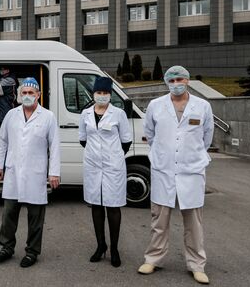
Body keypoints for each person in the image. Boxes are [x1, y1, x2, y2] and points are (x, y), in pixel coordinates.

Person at [138, 66, 214, 285]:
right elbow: (150, 134)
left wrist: (193, 155)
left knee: (194, 224)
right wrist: (161, 155)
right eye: (172, 79)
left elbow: (206, 138)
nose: (176, 82)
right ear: (166, 82)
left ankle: (197, 264)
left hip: (191, 171)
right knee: (159, 220)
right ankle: (153, 258)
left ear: (188, 81)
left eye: (180, 79)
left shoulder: (202, 106)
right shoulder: (156, 105)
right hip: (164, 170)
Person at [0, 77, 61, 268]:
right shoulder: (11, 115)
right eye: (24, 93)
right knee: (8, 214)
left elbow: (54, 146)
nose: (28, 96)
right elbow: (2, 141)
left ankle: (32, 251)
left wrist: (54, 172)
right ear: (19, 95)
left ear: (38, 95)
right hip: (13, 172)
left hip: (35, 174)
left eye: (32, 93)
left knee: (35, 217)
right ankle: (6, 247)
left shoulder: (48, 116)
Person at [78, 77, 132, 267]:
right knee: (96, 205)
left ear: (110, 95)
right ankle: (101, 246)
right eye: (99, 93)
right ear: (93, 94)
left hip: (112, 166)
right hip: (93, 166)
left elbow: (126, 141)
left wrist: (112, 156)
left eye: (105, 93)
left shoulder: (118, 114)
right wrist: (96, 155)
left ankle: (114, 248)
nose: (102, 96)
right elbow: (83, 139)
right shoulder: (85, 113)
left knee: (113, 207)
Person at [0, 66, 18, 144]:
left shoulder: (10, 80)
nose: (1, 70)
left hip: (4, 114)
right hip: (0, 114)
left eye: (3, 69)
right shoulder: (3, 78)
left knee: (2, 140)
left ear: (8, 70)